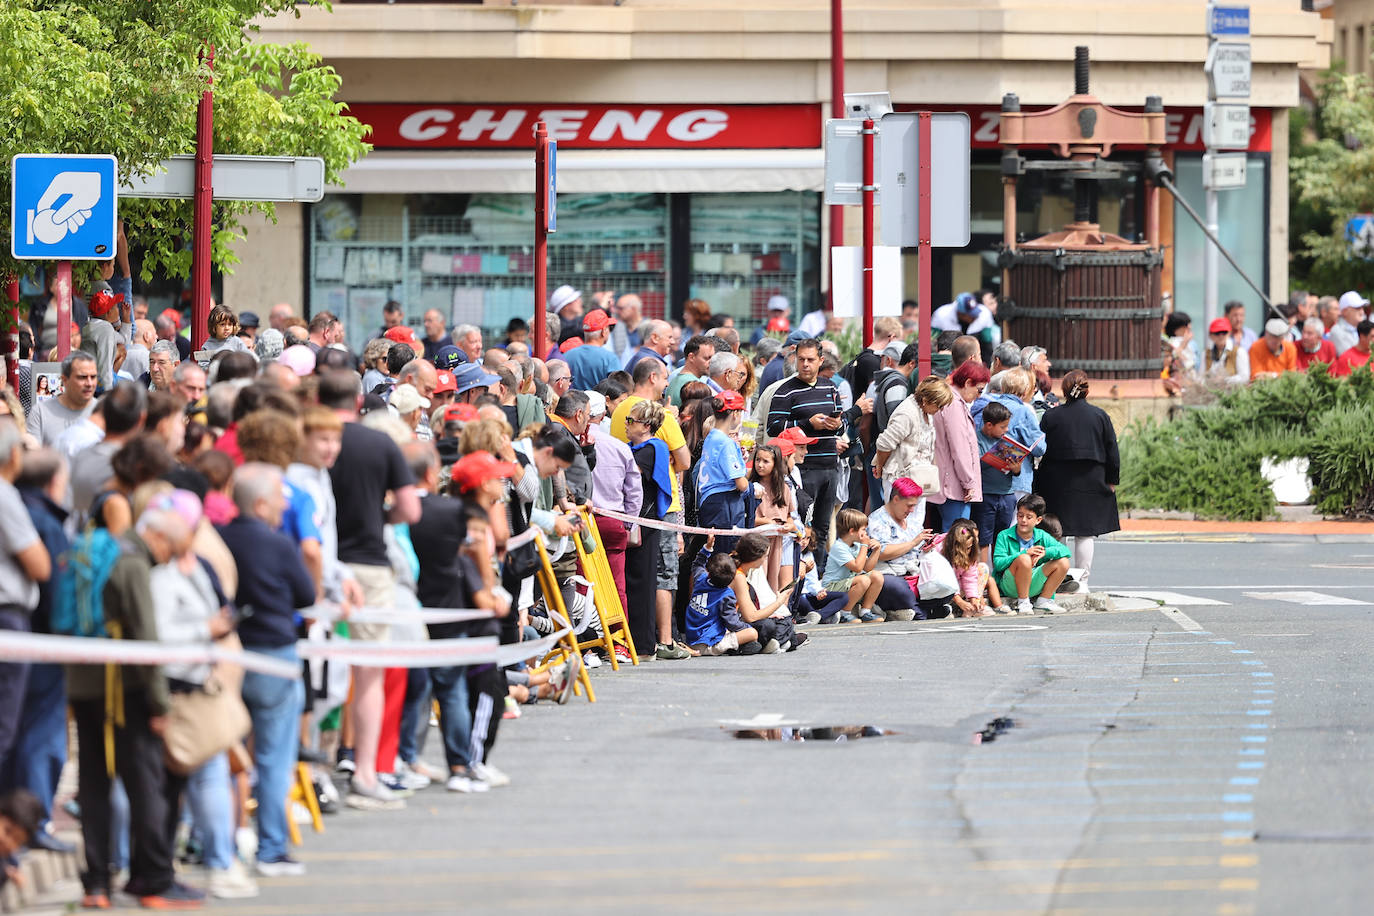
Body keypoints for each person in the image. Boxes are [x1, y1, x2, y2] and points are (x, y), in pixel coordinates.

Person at [68, 483, 203, 908]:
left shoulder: (95, 551)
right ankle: (153, 880)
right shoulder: (133, 564)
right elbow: (147, 640)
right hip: (124, 690)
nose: (171, 558)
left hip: (83, 681)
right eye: (174, 549)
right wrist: (160, 704)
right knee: (145, 783)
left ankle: (96, 883)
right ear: (158, 536)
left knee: (92, 783)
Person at [320, 370, 421, 808]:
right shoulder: (379, 444)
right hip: (369, 564)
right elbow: (410, 509)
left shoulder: (308, 442)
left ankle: (316, 771)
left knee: (316, 672)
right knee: (369, 673)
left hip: (317, 564)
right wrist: (381, 519)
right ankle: (365, 771)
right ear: (359, 401)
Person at [1033, 370, 1119, 593]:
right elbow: (1112, 450)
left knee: (1056, 531)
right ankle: (1083, 582)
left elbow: (1040, 449)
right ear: (1086, 390)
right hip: (1091, 479)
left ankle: (1057, 578)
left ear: (1064, 390)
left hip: (1055, 480)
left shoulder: (1052, 416)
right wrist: (1112, 479)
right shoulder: (1099, 416)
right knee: (1085, 532)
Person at [766, 338, 845, 569]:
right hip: (803, 468)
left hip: (830, 466)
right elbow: (774, 427)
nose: (805, 364)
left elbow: (842, 423)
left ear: (821, 360)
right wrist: (807, 424)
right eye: (801, 359)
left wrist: (837, 426)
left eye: (811, 360)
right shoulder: (785, 390)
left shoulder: (830, 387)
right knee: (802, 525)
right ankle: (798, 576)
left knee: (822, 526)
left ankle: (818, 574)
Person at [623, 400, 685, 660]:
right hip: (637, 522)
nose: (626, 425)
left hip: (646, 524)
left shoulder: (651, 449)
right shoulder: (635, 447)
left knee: (645, 581)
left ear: (646, 426)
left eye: (631, 421)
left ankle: (645, 645)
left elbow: (629, 475)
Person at [873, 375, 949, 505]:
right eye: (939, 405)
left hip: (918, 480)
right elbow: (884, 444)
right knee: (899, 522)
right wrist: (880, 466)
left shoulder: (926, 412)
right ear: (925, 400)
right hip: (900, 480)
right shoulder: (907, 413)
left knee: (915, 523)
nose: (940, 409)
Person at [991, 494, 1071, 616]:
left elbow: (1066, 551)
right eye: (1020, 515)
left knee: (1063, 562)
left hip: (1033, 583)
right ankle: (1023, 602)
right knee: (1024, 559)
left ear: (1038, 520)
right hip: (1010, 585)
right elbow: (998, 564)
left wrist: (1046, 552)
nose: (1023, 520)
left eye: (1029, 517)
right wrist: (1024, 553)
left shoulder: (1041, 535)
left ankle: (1044, 600)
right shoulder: (1004, 535)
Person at [863, 477, 930, 622]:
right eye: (909, 505)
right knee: (898, 588)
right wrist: (913, 543)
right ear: (896, 499)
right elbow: (882, 553)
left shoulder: (912, 521)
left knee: (943, 581)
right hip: (889, 573)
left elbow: (920, 547)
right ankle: (920, 611)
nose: (912, 510)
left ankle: (914, 609)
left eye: (914, 506)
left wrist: (929, 545)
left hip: (914, 571)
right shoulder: (877, 520)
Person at [929, 361, 986, 532]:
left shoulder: (948, 399)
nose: (979, 396)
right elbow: (960, 448)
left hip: (944, 482)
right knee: (956, 538)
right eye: (979, 390)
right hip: (953, 486)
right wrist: (969, 482)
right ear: (968, 383)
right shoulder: (954, 404)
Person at [694, 391, 751, 550]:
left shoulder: (711, 437)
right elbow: (741, 483)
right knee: (725, 556)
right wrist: (753, 488)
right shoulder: (726, 442)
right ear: (735, 414)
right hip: (723, 504)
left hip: (710, 501)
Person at [728, 533, 802, 653]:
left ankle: (779, 641)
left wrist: (769, 613)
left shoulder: (737, 567)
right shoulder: (738, 576)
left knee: (783, 621)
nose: (764, 560)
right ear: (756, 557)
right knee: (771, 625)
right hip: (732, 624)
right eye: (765, 557)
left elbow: (751, 611)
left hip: (738, 619)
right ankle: (777, 641)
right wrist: (779, 602)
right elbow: (751, 617)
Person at [685, 547, 757, 656]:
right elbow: (732, 622)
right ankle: (735, 648)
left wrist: (707, 549)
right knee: (752, 634)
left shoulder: (700, 578)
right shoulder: (726, 595)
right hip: (708, 645)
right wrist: (747, 627)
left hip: (691, 637)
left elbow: (697, 564)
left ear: (709, 573)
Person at [821, 508, 884, 622]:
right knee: (863, 580)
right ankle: (844, 613)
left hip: (849, 583)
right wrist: (865, 545)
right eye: (863, 530)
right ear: (852, 531)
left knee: (876, 576)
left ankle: (865, 611)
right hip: (831, 587)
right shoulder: (839, 547)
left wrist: (877, 550)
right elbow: (857, 567)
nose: (866, 534)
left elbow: (867, 568)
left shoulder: (856, 545)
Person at [747, 443, 794, 592]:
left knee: (772, 577)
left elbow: (789, 516)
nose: (760, 465)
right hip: (757, 540)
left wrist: (790, 526)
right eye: (757, 460)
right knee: (757, 577)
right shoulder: (750, 486)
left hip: (776, 541)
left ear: (775, 464)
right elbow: (747, 518)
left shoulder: (783, 488)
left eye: (765, 461)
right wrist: (767, 522)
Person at [26, 350, 98, 446]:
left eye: (93, 377)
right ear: (64, 380)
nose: (89, 383)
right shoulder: (40, 413)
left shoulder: (105, 412)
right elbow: (33, 456)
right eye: (82, 377)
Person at [937, 518, 1001, 617]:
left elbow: (970, 578)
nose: (976, 541)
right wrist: (958, 600)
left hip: (959, 587)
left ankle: (974, 607)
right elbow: (942, 581)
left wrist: (973, 598)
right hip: (940, 590)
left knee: (982, 568)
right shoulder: (939, 552)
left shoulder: (971, 550)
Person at [563, 310, 621, 390]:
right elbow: (618, 390)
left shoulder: (566, 355)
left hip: (571, 401)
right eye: (608, 328)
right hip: (600, 402)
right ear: (603, 331)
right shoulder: (610, 359)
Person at [667, 335, 716, 407]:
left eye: (712, 358)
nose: (711, 362)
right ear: (691, 357)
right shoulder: (693, 386)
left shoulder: (674, 380)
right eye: (707, 358)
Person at [1202, 316, 1250, 385]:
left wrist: (1225, 380)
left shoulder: (1239, 352)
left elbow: (1245, 377)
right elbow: (1201, 377)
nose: (1221, 336)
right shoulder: (1206, 353)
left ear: (1229, 333)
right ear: (1210, 335)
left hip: (1232, 393)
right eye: (1217, 333)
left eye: (1224, 332)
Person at [1329, 291, 1369, 355]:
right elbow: (1349, 357)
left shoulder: (1364, 329)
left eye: (1362, 308)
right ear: (1345, 311)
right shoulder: (1336, 331)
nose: (1362, 312)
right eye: (1357, 308)